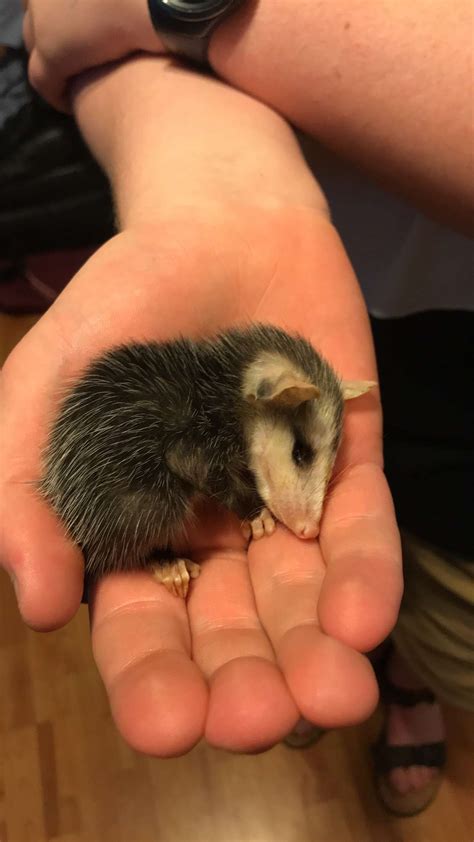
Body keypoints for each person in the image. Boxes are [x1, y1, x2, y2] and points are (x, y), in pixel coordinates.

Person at [2, 0, 473, 816]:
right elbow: (56, 35)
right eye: (299, 457)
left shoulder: (264, 401)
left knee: (427, 611)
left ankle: (406, 675)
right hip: (339, 298)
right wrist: (204, 164)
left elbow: (84, 25)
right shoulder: (228, 418)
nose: (308, 496)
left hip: (446, 396)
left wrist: (150, 15)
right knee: (361, 579)